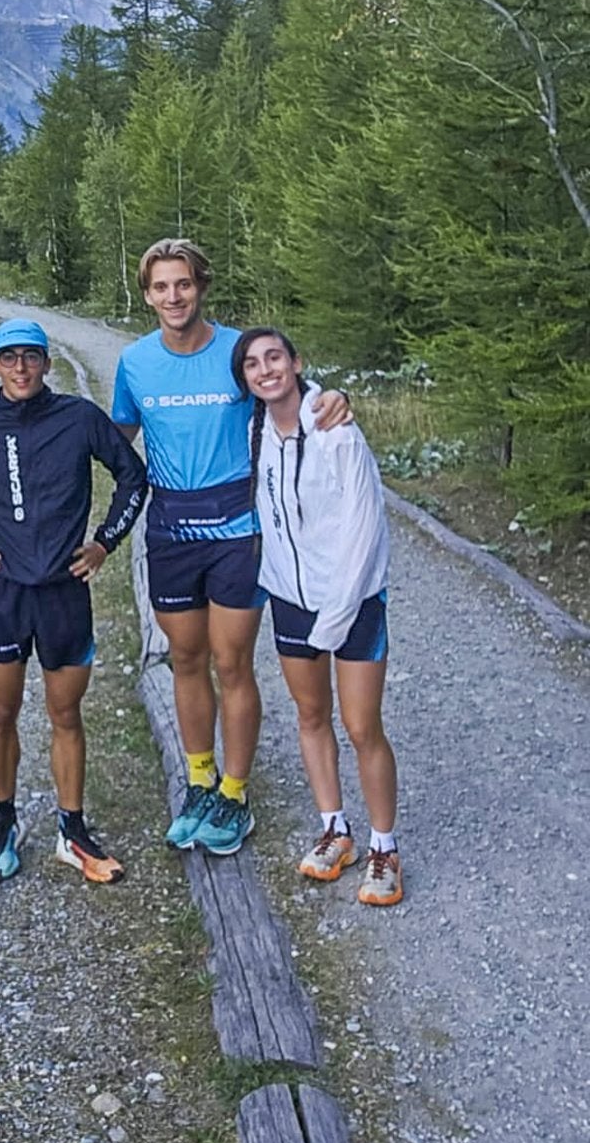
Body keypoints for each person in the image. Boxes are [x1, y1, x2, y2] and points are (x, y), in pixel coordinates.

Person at [111, 239, 349, 858]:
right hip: (169, 531)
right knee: (184, 661)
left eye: (183, 284)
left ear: (201, 286)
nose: (173, 297)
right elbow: (115, 436)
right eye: (161, 287)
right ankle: (199, 781)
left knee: (232, 663)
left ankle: (235, 791)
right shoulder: (135, 363)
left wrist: (329, 397)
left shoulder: (235, 349)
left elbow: (284, 384)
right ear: (146, 295)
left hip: (238, 530)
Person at [0, 318, 147, 884]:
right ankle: (4, 823)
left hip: (63, 593)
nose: (21, 368)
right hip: (2, 593)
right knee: (1, 712)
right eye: (9, 358)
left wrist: (104, 543)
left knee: (65, 714)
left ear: (47, 363)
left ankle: (72, 831)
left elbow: (133, 477)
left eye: (31, 357)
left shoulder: (78, 418)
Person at [233, 326, 402, 906]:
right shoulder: (255, 432)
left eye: (274, 357)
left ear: (296, 362)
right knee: (310, 715)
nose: (265, 370)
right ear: (247, 380)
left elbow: (365, 529)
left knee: (361, 725)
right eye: (252, 364)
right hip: (288, 596)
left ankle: (385, 846)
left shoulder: (337, 433)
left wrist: (336, 613)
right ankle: (336, 829)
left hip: (352, 600)